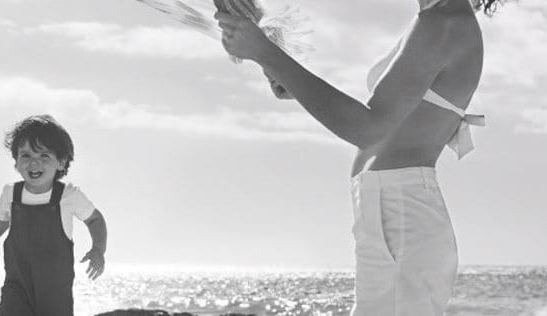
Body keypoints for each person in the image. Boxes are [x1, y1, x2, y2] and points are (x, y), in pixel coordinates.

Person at [217, 0, 509, 315]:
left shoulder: (443, 23)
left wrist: (266, 53)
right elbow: (382, 117)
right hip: (393, 218)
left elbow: (367, 128)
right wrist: (289, 77)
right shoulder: (437, 18)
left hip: (401, 221)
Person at [0, 114, 110, 316]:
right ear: (16, 163)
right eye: (26, 155)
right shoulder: (11, 194)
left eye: (44, 156)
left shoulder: (69, 195)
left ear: (61, 162)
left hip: (55, 294)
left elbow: (95, 219)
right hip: (16, 289)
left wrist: (98, 249)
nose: (34, 163)